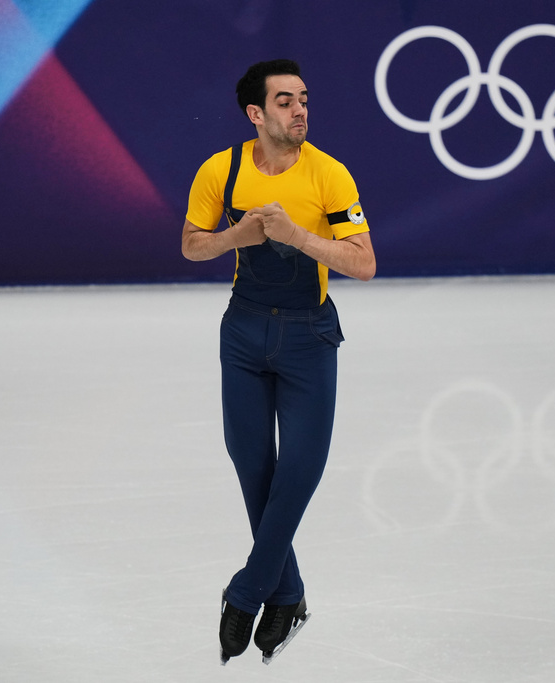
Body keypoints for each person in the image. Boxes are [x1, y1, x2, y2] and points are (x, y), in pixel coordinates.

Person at [181, 59, 375, 664]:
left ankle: (247, 593)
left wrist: (299, 237)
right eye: (285, 101)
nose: (300, 111)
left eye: (304, 100)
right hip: (242, 332)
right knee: (252, 465)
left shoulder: (329, 174)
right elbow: (192, 245)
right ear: (256, 113)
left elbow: (363, 262)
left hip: (308, 336)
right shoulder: (221, 170)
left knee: (300, 469)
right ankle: (288, 595)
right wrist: (234, 238)